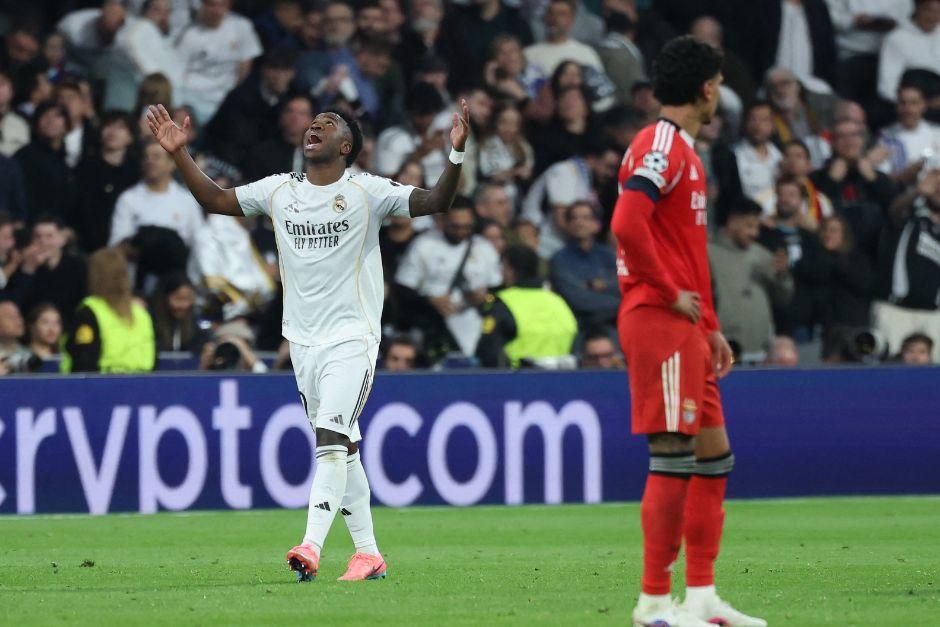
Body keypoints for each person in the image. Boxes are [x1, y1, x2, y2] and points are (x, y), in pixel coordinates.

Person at [145, 90, 471, 580]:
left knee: (329, 438)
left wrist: (456, 152)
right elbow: (214, 199)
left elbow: (436, 200)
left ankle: (311, 545)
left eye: (328, 123)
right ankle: (368, 553)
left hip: (352, 336)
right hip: (302, 340)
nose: (314, 126)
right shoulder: (279, 190)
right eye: (312, 121)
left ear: (346, 147)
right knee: (346, 445)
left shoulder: (368, 191)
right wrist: (178, 154)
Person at [609, 36, 766, 626]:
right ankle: (653, 603)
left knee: (714, 455)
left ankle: (701, 597)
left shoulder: (682, 150)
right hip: (659, 321)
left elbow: (684, 250)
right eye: (719, 84)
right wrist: (670, 295)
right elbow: (627, 222)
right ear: (707, 88)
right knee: (672, 455)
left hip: (688, 326)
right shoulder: (661, 144)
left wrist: (711, 324)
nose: (719, 93)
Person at [395, 204, 502, 357]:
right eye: (455, 227)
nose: (461, 232)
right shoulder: (423, 245)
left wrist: (484, 298)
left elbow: (499, 290)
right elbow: (403, 290)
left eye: (466, 227)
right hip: (434, 327)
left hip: (476, 327)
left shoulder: (484, 248)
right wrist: (430, 302)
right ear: (442, 221)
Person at [711, 199, 795, 362]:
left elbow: (784, 299)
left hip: (762, 352)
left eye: (757, 227)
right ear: (733, 223)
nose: (755, 233)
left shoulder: (762, 254)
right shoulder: (709, 254)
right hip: (725, 350)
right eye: (749, 226)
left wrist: (782, 275)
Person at [872, 168, 940, 361]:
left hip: (934, 314)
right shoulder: (910, 216)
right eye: (936, 185)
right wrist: (918, 192)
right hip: (896, 310)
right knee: (891, 372)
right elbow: (894, 210)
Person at [476, 244, 577, 368]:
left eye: (503, 268)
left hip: (518, 381)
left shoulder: (503, 302)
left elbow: (488, 350)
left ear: (511, 270)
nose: (502, 273)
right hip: (563, 379)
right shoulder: (557, 301)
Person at [61, 248, 156, 374]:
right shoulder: (141, 313)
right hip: (143, 386)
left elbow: (84, 361)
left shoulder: (90, 311)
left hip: (101, 386)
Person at [175, 0, 263, 124]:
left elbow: (246, 63)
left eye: (222, 5)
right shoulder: (189, 35)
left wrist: (234, 93)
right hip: (195, 99)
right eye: (212, 5)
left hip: (228, 99)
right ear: (203, 5)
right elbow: (177, 72)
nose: (216, 11)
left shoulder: (241, 26)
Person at [549, 201, 619, 330]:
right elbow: (577, 299)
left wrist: (603, 285)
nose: (579, 223)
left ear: (597, 225)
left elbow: (625, 287)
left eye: (586, 218)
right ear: (568, 225)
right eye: (574, 218)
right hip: (580, 326)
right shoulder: (559, 260)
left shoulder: (609, 255)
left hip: (615, 323)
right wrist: (621, 304)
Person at [23, 215, 87, 327]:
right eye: (37, 236)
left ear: (62, 239)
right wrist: (28, 271)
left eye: (49, 236)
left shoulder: (79, 266)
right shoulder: (25, 268)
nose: (43, 242)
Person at [877, 0, 940, 103]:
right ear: (917, 8)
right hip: (910, 106)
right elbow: (886, 87)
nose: (933, 17)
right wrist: (916, 104)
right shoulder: (896, 38)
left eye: (938, 12)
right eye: (929, 10)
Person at [733, 101, 783, 203]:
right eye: (753, 119)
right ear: (745, 123)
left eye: (764, 120)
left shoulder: (780, 156)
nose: (758, 126)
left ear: (773, 125)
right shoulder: (735, 155)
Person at [150, 273, 206, 353]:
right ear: (165, 298)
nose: (184, 305)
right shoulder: (151, 321)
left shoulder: (195, 322)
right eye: (178, 299)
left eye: (188, 298)